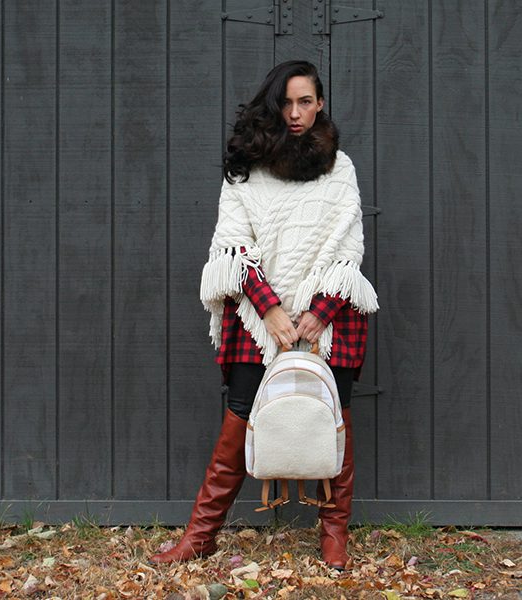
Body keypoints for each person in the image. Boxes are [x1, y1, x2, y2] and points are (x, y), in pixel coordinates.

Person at [150, 60, 378, 570]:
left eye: (305, 102)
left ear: (320, 104)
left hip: (329, 317)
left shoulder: (340, 168)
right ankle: (201, 536)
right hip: (258, 319)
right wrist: (271, 311)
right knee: (240, 416)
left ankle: (334, 536)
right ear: (273, 104)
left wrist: (318, 314)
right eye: (287, 102)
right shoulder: (246, 169)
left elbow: (347, 248)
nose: (295, 114)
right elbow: (234, 246)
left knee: (334, 418)